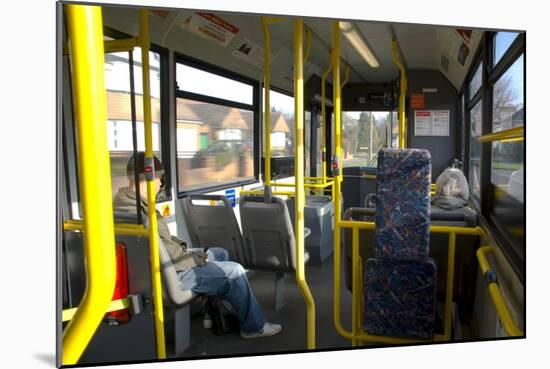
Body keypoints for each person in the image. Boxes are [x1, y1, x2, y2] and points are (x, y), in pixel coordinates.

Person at [113, 152, 282, 339]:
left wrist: (194, 252)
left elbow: (164, 242)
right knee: (235, 271)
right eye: (160, 179)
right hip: (168, 276)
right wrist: (198, 257)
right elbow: (168, 253)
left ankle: (223, 311)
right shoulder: (141, 213)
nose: (161, 184)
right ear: (149, 178)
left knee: (220, 253)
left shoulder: (124, 204)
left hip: (158, 268)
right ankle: (253, 327)